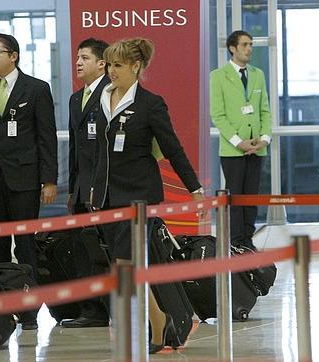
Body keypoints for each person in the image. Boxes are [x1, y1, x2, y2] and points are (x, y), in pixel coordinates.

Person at [90, 38, 203, 354]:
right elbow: (93, 152)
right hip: (108, 197)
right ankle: (159, 320)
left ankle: (148, 327)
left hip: (140, 197)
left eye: (118, 65)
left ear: (136, 67)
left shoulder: (151, 104)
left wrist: (195, 189)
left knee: (126, 266)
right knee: (126, 267)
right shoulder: (100, 99)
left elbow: (173, 149)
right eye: (109, 65)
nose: (112, 71)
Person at [0, 33, 58, 330]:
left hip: (24, 178)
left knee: (24, 243)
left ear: (14, 56)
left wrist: (49, 180)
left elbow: (46, 137)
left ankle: (28, 310)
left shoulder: (36, 88)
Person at [61, 37, 111, 328]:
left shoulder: (111, 94)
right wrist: (72, 189)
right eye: (78, 58)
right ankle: (92, 310)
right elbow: (75, 147)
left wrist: (97, 186)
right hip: (81, 187)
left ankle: (109, 306)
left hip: (103, 188)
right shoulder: (74, 98)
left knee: (105, 248)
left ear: (101, 63)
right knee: (84, 250)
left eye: (85, 58)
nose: (78, 63)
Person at [209, 30, 271, 250]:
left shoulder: (258, 74)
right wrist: (238, 142)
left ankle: (247, 239)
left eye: (251, 44)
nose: (249, 49)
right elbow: (218, 115)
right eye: (245, 45)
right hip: (233, 150)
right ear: (232, 48)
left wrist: (264, 139)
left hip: (256, 148)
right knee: (235, 197)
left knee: (251, 197)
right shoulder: (218, 76)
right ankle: (236, 241)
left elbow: (265, 109)